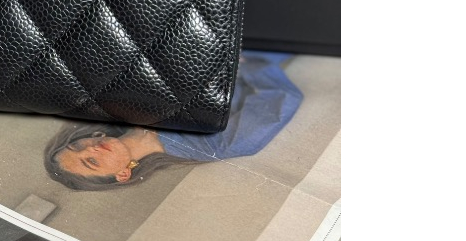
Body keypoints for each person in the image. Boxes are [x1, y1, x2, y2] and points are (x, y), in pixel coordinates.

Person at [44, 53, 303, 191]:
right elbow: (280, 97)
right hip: (254, 44)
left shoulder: (118, 105)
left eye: (77, 146)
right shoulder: (211, 147)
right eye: (92, 162)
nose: (90, 149)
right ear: (123, 174)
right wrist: (240, 57)